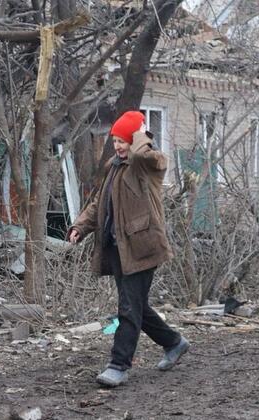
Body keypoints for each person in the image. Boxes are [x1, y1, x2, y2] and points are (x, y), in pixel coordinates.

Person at [67, 110, 190, 387]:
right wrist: (80, 227)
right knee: (136, 307)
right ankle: (174, 342)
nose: (119, 146)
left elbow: (154, 158)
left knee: (128, 309)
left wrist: (140, 137)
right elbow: (99, 203)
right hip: (119, 248)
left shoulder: (145, 165)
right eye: (116, 141)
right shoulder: (115, 167)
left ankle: (118, 365)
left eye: (123, 140)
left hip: (143, 247)